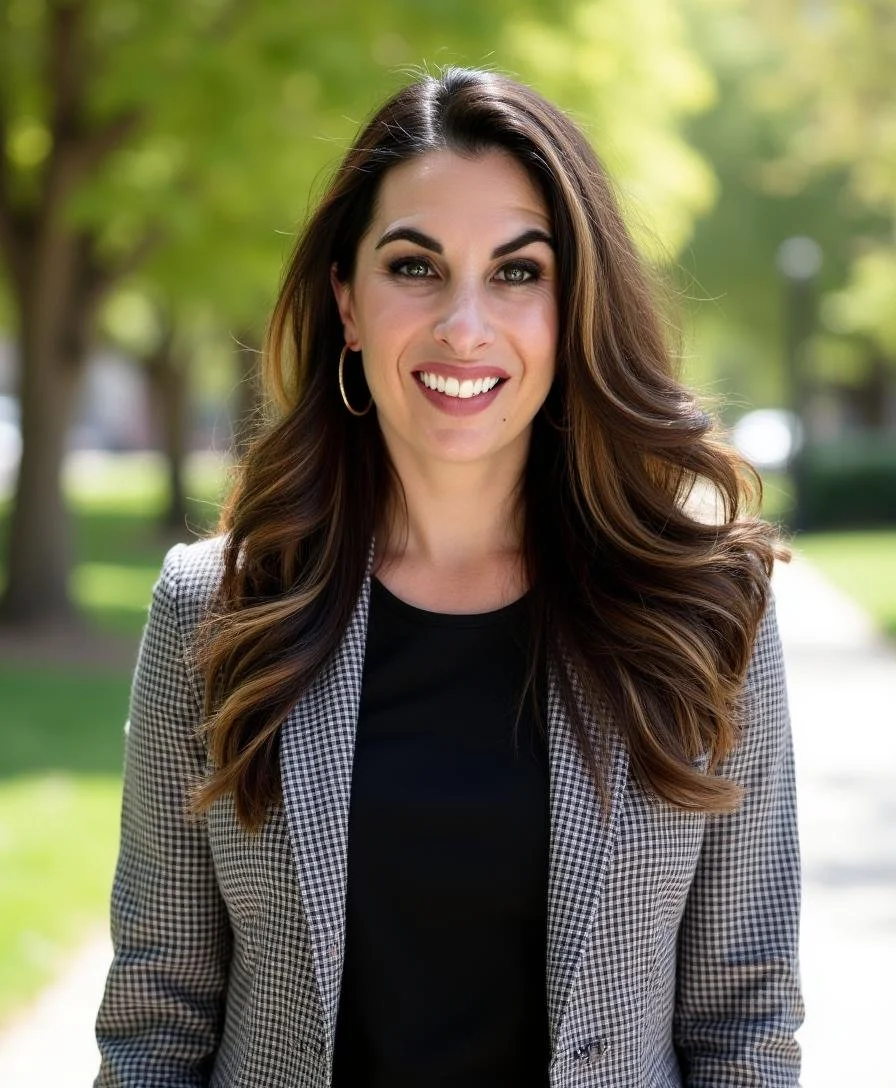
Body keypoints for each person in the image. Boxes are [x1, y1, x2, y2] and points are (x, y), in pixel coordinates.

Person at [94, 67, 802, 1087]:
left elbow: (744, 1022)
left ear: (573, 309)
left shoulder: (702, 610)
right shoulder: (215, 612)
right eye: (414, 266)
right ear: (346, 300)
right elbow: (158, 1022)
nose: (463, 325)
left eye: (517, 272)